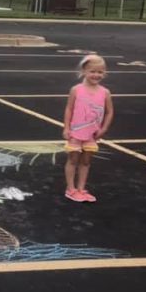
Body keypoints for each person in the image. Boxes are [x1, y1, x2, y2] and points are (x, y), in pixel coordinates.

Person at [62, 54, 114, 203]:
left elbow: (110, 112)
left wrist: (103, 129)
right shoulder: (76, 90)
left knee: (86, 161)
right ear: (84, 71)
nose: (96, 75)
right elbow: (69, 109)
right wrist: (66, 128)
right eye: (92, 71)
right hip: (76, 133)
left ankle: (81, 188)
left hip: (92, 134)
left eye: (100, 72)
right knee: (73, 159)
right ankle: (70, 189)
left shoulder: (105, 92)